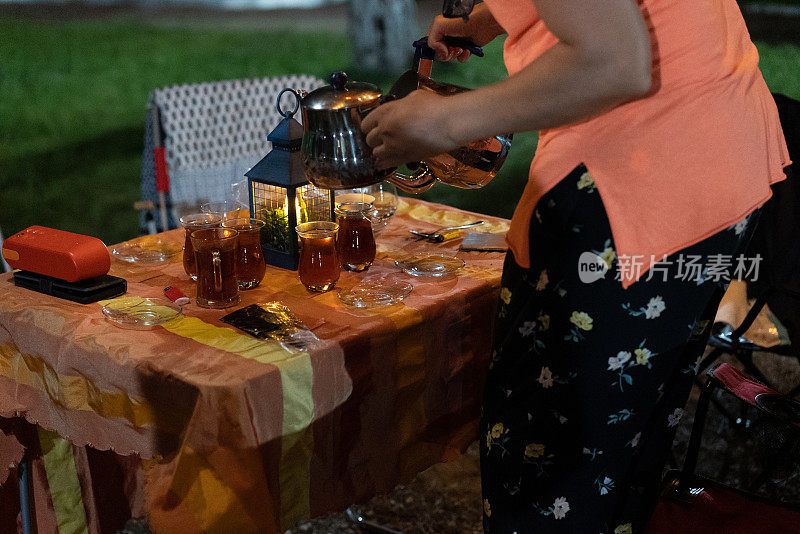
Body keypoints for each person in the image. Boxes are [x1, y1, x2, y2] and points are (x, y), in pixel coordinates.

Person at [362, 0, 790, 532]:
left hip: (637, 176)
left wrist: (444, 120)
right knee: (621, 454)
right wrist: (491, 17)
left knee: (549, 468)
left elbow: (613, 60)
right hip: (717, 158)